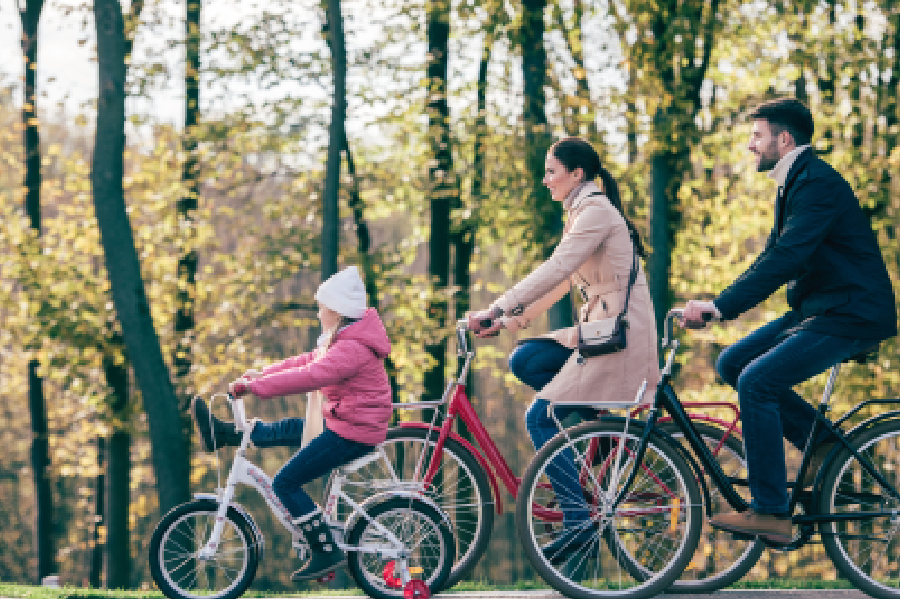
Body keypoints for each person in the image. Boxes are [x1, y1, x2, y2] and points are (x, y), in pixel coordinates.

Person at [682, 97, 897, 544]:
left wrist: (720, 307)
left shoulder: (816, 183)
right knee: (732, 364)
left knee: (756, 381)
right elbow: (773, 256)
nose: (749, 146)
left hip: (851, 312)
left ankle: (771, 511)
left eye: (757, 136)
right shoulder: (796, 181)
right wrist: (719, 303)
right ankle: (822, 447)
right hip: (821, 309)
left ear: (784, 139)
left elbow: (787, 257)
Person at [468, 137, 660, 562]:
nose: (544, 179)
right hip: (600, 333)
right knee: (527, 358)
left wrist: (497, 305)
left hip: (619, 339)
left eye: (551, 170)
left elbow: (556, 267)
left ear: (577, 174)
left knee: (539, 415)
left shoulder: (595, 211)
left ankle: (577, 517)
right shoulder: (581, 212)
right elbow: (560, 284)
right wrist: (507, 321)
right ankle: (601, 427)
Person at [190, 265, 393, 581]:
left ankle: (325, 549)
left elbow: (311, 376)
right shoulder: (341, 340)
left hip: (353, 431)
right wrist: (263, 374)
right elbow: (305, 362)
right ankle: (227, 434)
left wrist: (256, 389)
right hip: (347, 421)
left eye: (322, 308)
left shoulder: (350, 348)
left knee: (284, 482)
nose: (318, 314)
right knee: (288, 428)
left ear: (337, 312)